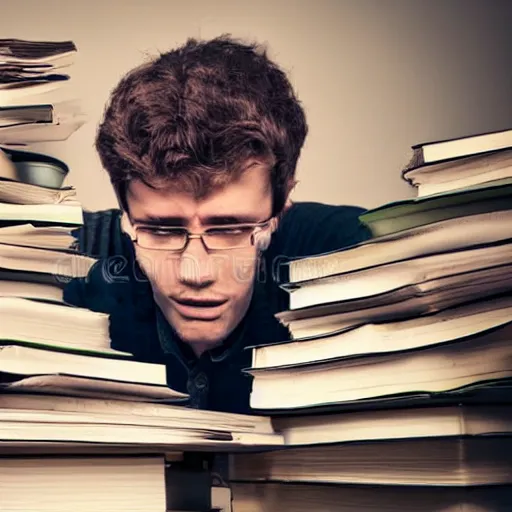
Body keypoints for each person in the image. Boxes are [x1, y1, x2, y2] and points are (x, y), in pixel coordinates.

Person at [64, 35, 371, 414]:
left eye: (231, 228)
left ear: (281, 203)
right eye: (161, 230)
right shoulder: (54, 262)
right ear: (125, 211)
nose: (196, 272)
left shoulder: (355, 254)